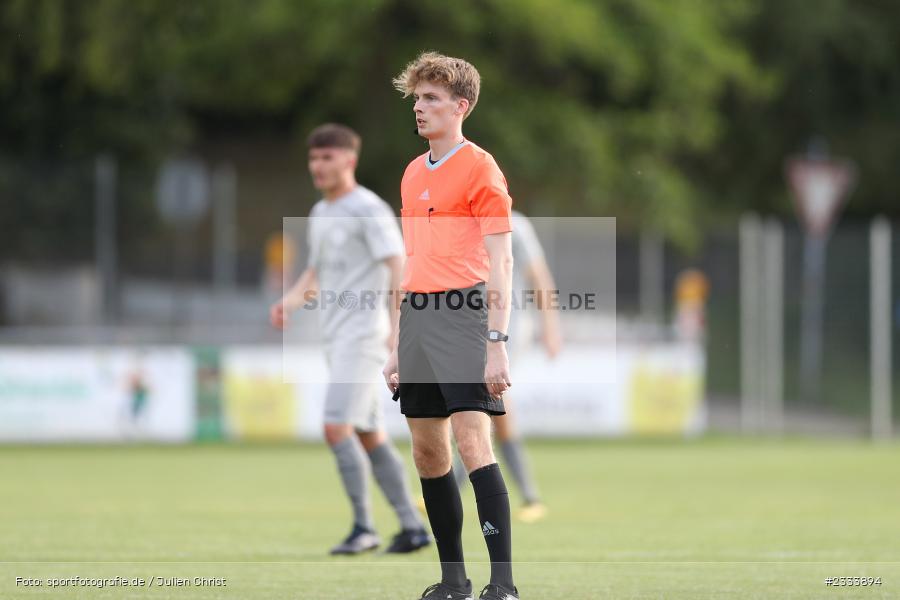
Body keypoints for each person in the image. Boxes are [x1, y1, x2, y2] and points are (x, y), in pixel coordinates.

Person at [384, 52, 519, 600]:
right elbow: (412, 260)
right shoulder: (412, 172)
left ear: (460, 106)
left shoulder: (481, 168)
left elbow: (502, 260)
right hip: (417, 316)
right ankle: (453, 581)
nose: (419, 107)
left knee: (471, 441)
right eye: (417, 98)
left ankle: (503, 584)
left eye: (432, 98)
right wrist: (397, 344)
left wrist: (497, 343)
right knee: (427, 451)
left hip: (466, 313)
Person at [270, 123, 430, 556]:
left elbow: (398, 266)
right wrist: (290, 301)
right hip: (336, 337)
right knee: (368, 434)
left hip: (363, 337)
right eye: (313, 158)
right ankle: (413, 527)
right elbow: (316, 272)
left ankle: (363, 527)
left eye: (327, 157)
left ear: (349, 160)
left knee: (335, 426)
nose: (318, 166)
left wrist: (398, 329)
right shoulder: (321, 212)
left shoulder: (368, 208)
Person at [451, 210, 561, 524]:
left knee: (487, 400)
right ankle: (529, 496)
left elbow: (538, 277)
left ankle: (524, 496)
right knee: (486, 410)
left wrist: (550, 326)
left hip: (507, 328)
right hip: (469, 328)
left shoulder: (516, 225)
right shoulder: (460, 222)